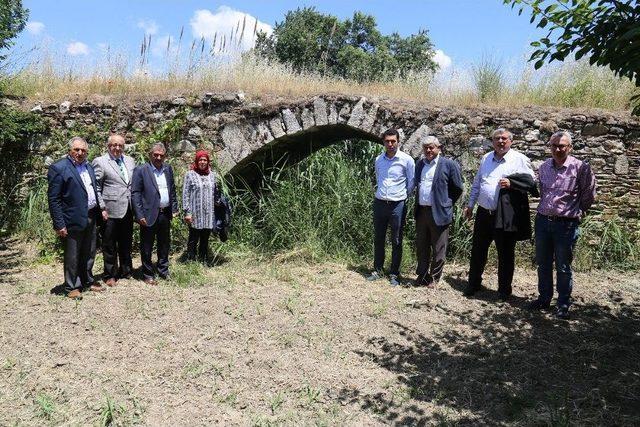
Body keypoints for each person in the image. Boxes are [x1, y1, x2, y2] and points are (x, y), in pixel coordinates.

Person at [529, 131, 596, 319]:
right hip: (542, 222)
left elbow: (589, 194)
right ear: (550, 147)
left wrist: (578, 212)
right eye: (555, 146)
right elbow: (541, 192)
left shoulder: (580, 168)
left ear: (570, 147)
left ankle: (563, 303)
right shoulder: (543, 167)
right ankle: (544, 299)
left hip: (566, 225)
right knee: (543, 264)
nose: (558, 149)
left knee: (563, 266)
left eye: (562, 146)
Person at [463, 128, 535, 300]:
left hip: (505, 214)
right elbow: (477, 183)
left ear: (511, 140)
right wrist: (470, 205)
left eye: (504, 138)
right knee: (478, 250)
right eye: (497, 139)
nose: (501, 141)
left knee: (505, 253)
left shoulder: (519, 159)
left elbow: (531, 183)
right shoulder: (486, 158)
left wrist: (512, 183)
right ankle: (473, 284)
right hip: (483, 213)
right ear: (492, 141)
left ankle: (504, 290)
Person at [47, 136, 104, 299]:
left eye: (83, 150)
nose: (80, 153)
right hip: (71, 218)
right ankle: (72, 286)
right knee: (73, 254)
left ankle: (87, 280)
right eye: (76, 149)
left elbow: (94, 189)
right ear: (69, 150)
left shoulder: (89, 166)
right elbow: (54, 199)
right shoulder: (59, 168)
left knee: (89, 251)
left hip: (91, 215)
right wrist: (59, 224)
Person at [413, 136, 464, 288]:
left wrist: (446, 204)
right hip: (422, 211)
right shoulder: (420, 164)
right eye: (426, 148)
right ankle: (422, 276)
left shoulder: (449, 164)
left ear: (439, 148)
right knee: (421, 246)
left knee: (439, 247)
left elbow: (458, 188)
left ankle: (435, 278)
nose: (428, 150)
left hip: (440, 212)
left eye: (431, 147)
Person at [367, 128, 415, 287]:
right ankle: (378, 270)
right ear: (383, 142)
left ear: (398, 141)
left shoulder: (406, 160)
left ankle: (394, 273)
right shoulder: (378, 160)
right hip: (380, 203)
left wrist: (400, 196)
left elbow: (411, 183)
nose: (390, 144)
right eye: (387, 141)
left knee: (396, 240)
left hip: (397, 205)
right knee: (378, 238)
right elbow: (378, 178)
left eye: (393, 141)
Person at [131, 142, 178, 285]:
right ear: (150, 155)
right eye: (155, 155)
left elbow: (172, 190)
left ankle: (163, 270)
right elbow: (135, 194)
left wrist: (174, 208)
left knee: (164, 244)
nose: (158, 157)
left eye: (161, 155)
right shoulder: (141, 170)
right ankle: (147, 273)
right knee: (147, 245)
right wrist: (139, 215)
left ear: (165, 156)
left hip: (165, 214)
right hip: (148, 215)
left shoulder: (168, 169)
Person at [92, 134, 136, 287]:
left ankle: (126, 270)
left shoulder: (130, 161)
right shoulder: (100, 162)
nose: (117, 148)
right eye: (114, 145)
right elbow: (96, 187)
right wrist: (102, 207)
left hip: (128, 208)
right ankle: (110, 274)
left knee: (126, 242)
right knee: (109, 243)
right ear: (108, 146)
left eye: (120, 145)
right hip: (109, 210)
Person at [182, 150, 221, 262]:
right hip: (195, 213)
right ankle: (191, 259)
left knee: (205, 238)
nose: (202, 162)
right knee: (193, 237)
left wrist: (218, 201)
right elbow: (185, 194)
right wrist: (187, 212)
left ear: (208, 162)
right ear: (197, 161)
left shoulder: (213, 175)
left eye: (205, 160)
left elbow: (216, 192)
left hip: (208, 213)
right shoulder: (190, 175)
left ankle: (203, 259)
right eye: (200, 160)